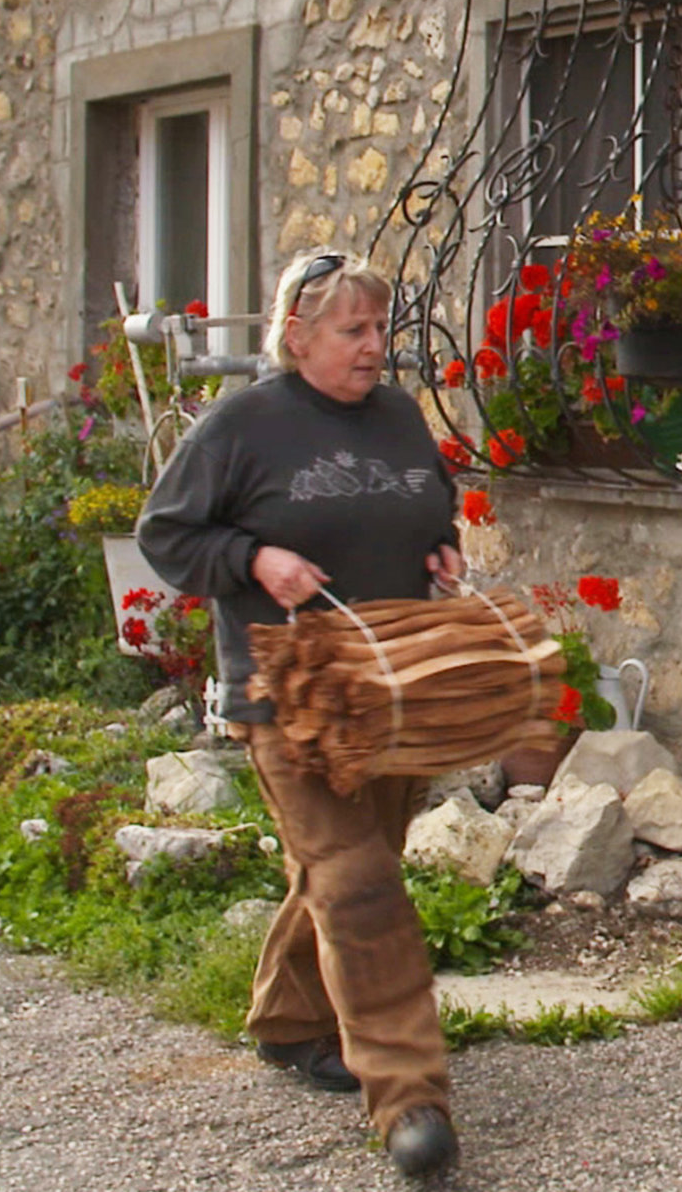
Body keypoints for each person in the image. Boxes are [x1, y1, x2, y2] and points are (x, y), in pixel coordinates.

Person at [138, 251, 465, 1178]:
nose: (374, 348)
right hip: (287, 695)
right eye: (352, 332)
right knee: (358, 879)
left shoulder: (399, 417)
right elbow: (168, 533)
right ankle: (410, 1101)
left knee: (348, 868)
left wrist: (440, 549)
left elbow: (426, 509)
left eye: (378, 329)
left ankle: (287, 1023)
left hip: (389, 679)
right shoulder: (241, 426)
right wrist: (254, 561)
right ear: (297, 337)